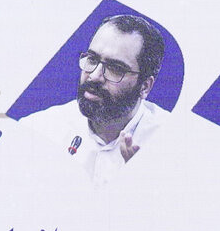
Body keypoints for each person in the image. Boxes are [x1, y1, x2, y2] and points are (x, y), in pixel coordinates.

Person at [23, 14, 167, 184]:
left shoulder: (169, 145)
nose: (94, 76)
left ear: (145, 86)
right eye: (92, 59)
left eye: (115, 68)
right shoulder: (40, 130)